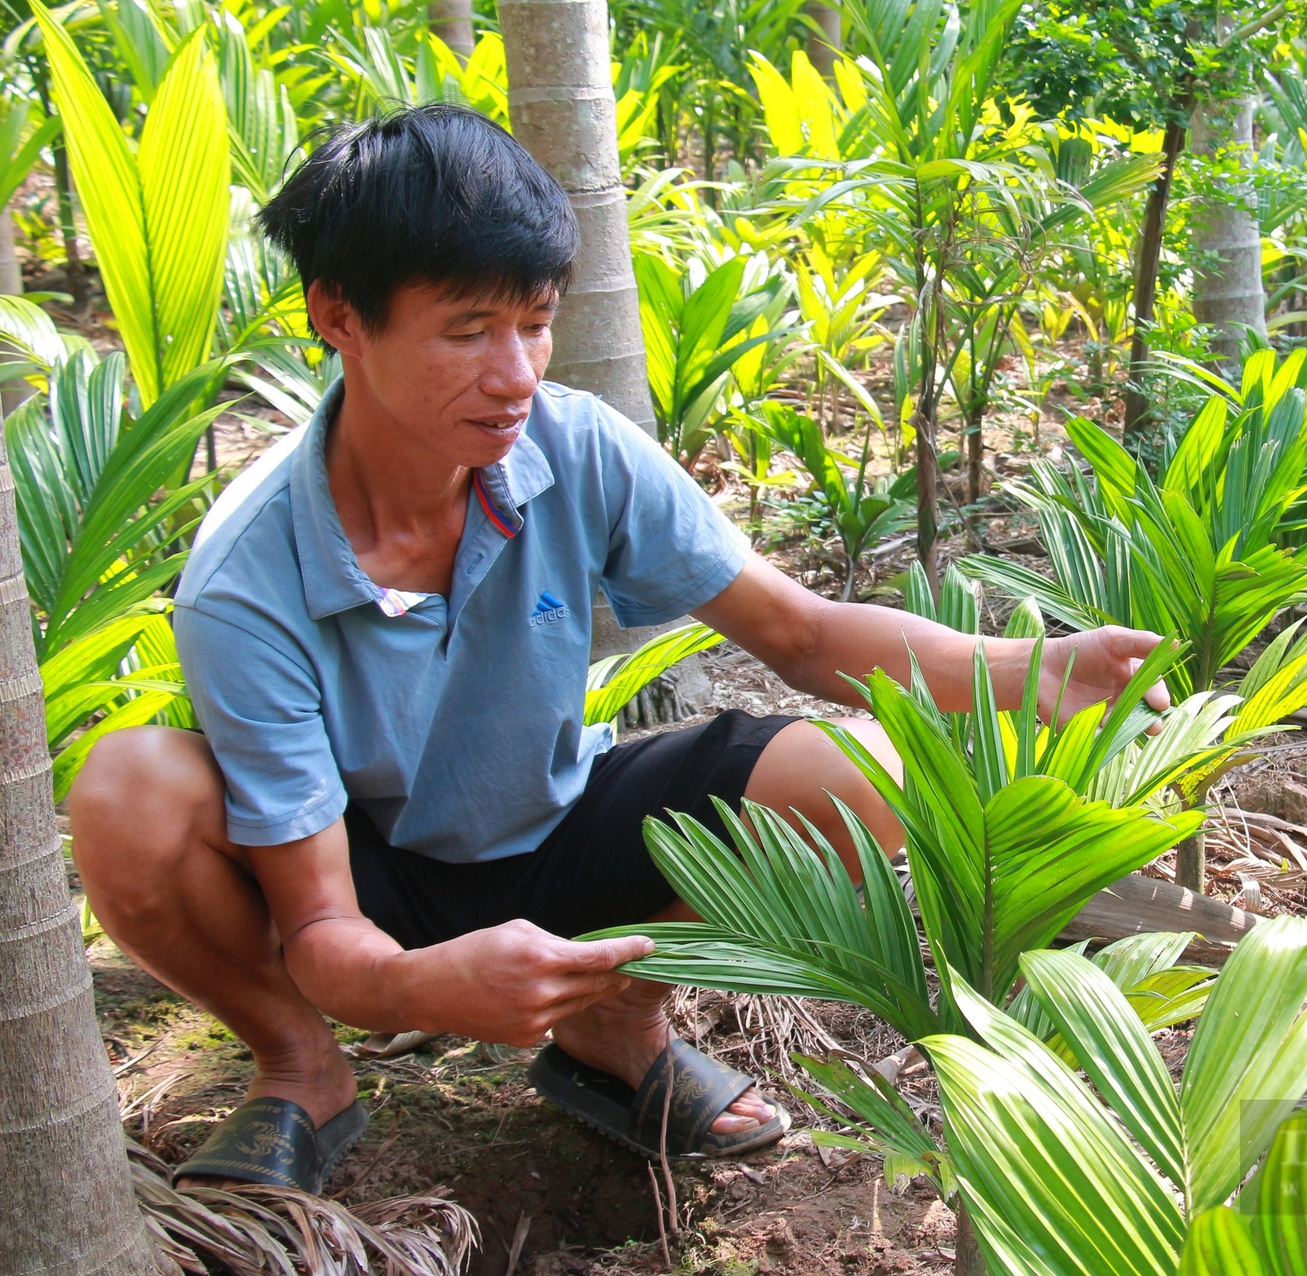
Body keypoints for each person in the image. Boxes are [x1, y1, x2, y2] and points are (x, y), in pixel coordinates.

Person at [69, 104, 1165, 1193]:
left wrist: (1022, 671)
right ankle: (300, 1065)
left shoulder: (573, 444)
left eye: (535, 322)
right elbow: (318, 925)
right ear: (338, 315)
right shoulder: (250, 576)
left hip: (554, 820)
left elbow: (801, 632)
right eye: (466, 330)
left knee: (864, 776)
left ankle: (615, 1022)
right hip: (362, 867)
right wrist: (413, 988)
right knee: (127, 789)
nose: (515, 374)